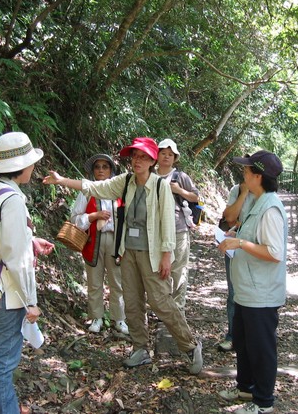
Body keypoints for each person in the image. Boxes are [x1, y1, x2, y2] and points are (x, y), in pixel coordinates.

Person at [43, 137, 203, 374]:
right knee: (132, 301)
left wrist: (167, 255)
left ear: (152, 160)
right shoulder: (126, 182)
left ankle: (189, 346)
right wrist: (62, 180)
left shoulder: (159, 186)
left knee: (161, 301)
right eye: (134, 157)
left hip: (152, 254)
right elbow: (95, 187)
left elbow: (168, 223)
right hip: (128, 252)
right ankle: (140, 348)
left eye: (142, 157)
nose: (137, 161)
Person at [0, 132, 55, 413]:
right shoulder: (12, 199)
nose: (33, 168)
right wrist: (30, 301)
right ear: (21, 167)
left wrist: (30, 240)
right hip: (7, 293)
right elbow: (16, 258)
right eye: (31, 163)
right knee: (2, 364)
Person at [217, 150, 288, 414]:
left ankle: (263, 401)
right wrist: (237, 232)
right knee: (244, 343)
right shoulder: (256, 201)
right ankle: (245, 387)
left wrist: (240, 243)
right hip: (246, 290)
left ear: (258, 176)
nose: (243, 174)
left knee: (261, 348)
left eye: (247, 171)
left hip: (262, 293)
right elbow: (251, 233)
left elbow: (274, 253)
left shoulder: (270, 208)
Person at [71, 154, 128, 335]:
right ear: (93, 171)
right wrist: (94, 216)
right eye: (98, 167)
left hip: (116, 241)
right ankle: (96, 317)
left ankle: (119, 319)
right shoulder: (86, 191)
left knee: (117, 281)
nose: (101, 170)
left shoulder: (119, 191)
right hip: (93, 240)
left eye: (105, 167)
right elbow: (74, 218)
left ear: (111, 170)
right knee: (94, 282)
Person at [156, 139, 199, 310]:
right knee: (158, 269)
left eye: (170, 154)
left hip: (178, 229)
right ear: (157, 155)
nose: (166, 157)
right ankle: (163, 307)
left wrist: (179, 190)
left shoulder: (180, 177)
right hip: (155, 231)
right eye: (163, 153)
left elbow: (196, 197)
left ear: (175, 158)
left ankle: (177, 307)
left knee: (178, 269)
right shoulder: (150, 175)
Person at [218, 180, 255, 352]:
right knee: (233, 292)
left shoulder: (266, 195)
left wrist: (244, 225)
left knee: (254, 291)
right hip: (234, 246)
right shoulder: (237, 190)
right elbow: (230, 217)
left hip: (255, 249)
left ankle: (253, 335)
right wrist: (243, 193)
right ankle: (233, 335)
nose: (245, 175)